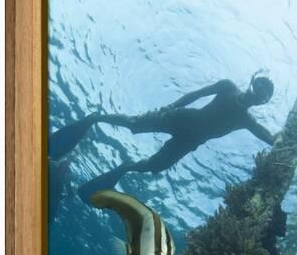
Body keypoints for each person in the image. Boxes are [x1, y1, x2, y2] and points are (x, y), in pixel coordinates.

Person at [76, 72, 276, 202]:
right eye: (260, 87)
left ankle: (126, 167)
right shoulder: (228, 86)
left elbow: (267, 135)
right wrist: (172, 106)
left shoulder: (246, 120)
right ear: (252, 82)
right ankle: (96, 118)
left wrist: (283, 141)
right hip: (180, 118)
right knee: (134, 124)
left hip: (190, 141)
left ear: (263, 102)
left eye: (265, 95)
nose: (259, 94)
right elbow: (196, 94)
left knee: (154, 166)